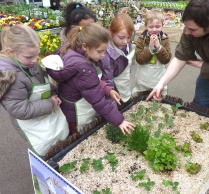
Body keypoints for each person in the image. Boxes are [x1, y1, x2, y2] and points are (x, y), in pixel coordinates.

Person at [147, 0, 209, 119]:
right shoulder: (193, 25)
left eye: (192, 30)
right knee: (197, 111)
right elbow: (181, 56)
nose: (187, 32)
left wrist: (202, 65)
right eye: (186, 27)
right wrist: (161, 83)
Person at [46, 23, 135, 135]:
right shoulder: (84, 69)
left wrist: (108, 90)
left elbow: (90, 83)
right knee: (77, 136)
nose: (103, 55)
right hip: (76, 114)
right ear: (85, 46)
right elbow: (98, 101)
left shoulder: (70, 48)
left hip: (67, 106)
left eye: (104, 51)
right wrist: (120, 121)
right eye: (100, 51)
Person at [0, 25, 69, 158]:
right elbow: (20, 109)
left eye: (37, 54)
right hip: (32, 123)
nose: (35, 60)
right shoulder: (10, 77)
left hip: (42, 110)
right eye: (29, 57)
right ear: (11, 51)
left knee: (58, 141)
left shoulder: (28, 62)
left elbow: (41, 82)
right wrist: (50, 103)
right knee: (46, 148)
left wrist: (53, 91)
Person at [96, 13, 135, 103]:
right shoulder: (106, 54)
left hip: (124, 85)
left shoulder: (127, 44)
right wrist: (112, 106)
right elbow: (108, 81)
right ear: (111, 32)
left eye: (128, 37)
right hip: (115, 92)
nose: (125, 41)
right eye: (121, 37)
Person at [132, 9, 171, 97]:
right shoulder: (141, 39)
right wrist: (150, 48)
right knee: (141, 97)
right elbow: (139, 60)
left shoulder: (165, 40)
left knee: (158, 98)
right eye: (151, 27)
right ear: (146, 26)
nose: (154, 30)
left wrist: (158, 47)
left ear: (162, 25)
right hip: (142, 79)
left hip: (158, 79)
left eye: (157, 27)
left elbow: (166, 59)